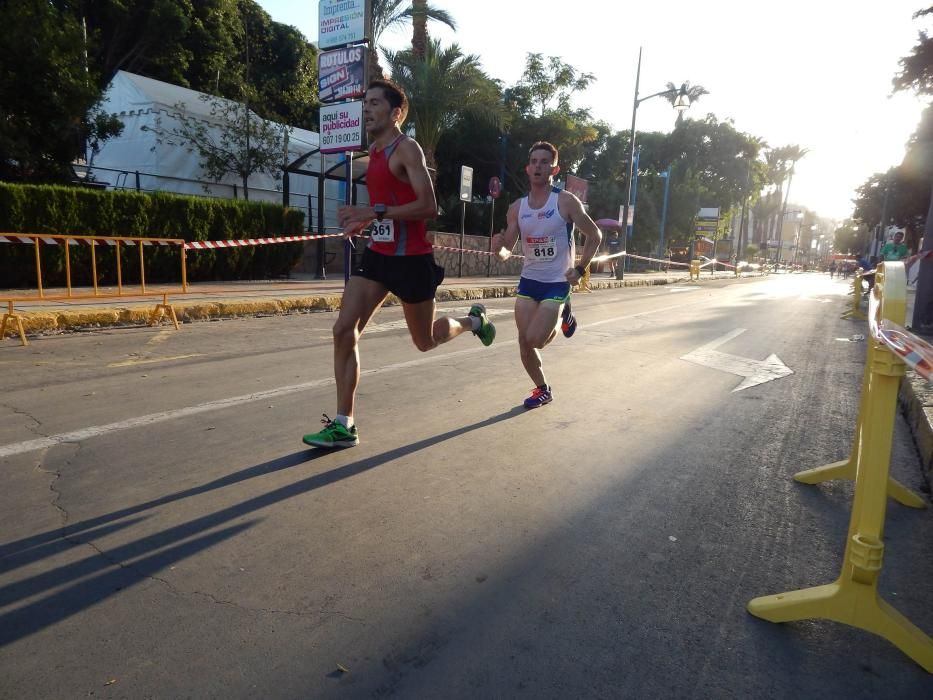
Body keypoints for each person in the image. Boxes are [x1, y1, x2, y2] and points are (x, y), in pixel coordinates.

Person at [302, 79, 496, 448]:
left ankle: (474, 321)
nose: (366, 109)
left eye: (375, 103)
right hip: (379, 256)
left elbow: (429, 206)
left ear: (397, 113)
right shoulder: (372, 153)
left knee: (425, 341)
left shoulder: (407, 149)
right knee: (344, 330)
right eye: (365, 102)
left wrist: (372, 211)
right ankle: (345, 425)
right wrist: (367, 221)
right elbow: (387, 210)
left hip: (412, 261)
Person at [491, 141, 601, 409]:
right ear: (527, 169)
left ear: (554, 169)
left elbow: (595, 235)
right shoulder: (517, 208)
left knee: (535, 338)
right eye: (534, 162)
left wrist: (580, 268)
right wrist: (499, 249)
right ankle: (543, 389)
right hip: (529, 281)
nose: (538, 166)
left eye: (544, 162)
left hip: (557, 282)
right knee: (524, 342)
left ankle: (564, 311)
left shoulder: (565, 201)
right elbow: (508, 251)